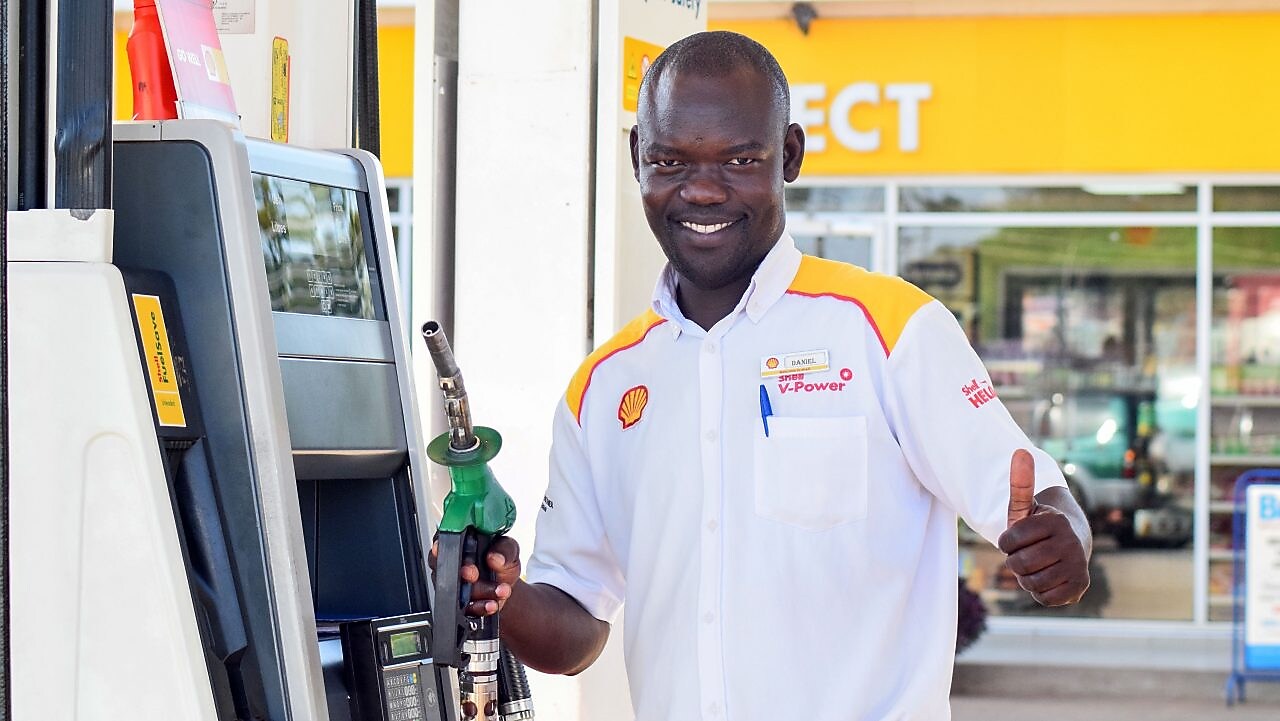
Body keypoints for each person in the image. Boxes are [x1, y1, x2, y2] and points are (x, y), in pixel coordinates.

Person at [442, 30, 1092, 720]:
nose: (701, 189)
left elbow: (1035, 495)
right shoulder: (604, 388)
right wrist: (495, 593)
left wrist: (1063, 540)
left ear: (789, 156)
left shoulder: (890, 330)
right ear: (637, 158)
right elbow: (574, 626)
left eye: (739, 159)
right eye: (670, 160)